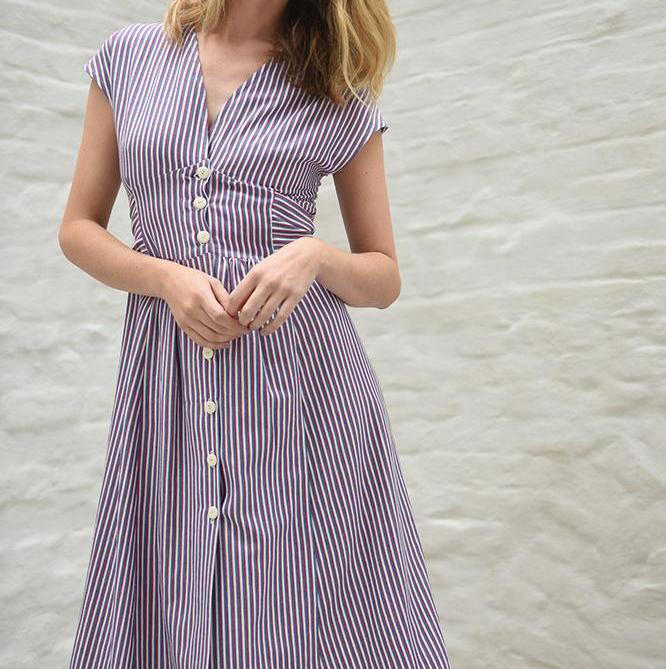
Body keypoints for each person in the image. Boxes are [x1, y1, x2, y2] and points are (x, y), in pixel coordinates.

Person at [60, 1, 453, 667]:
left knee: (299, 602)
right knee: (172, 582)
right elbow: (78, 229)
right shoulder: (129, 58)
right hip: (169, 381)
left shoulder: (333, 87)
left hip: (301, 391)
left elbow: (383, 277)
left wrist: (315, 256)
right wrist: (165, 279)